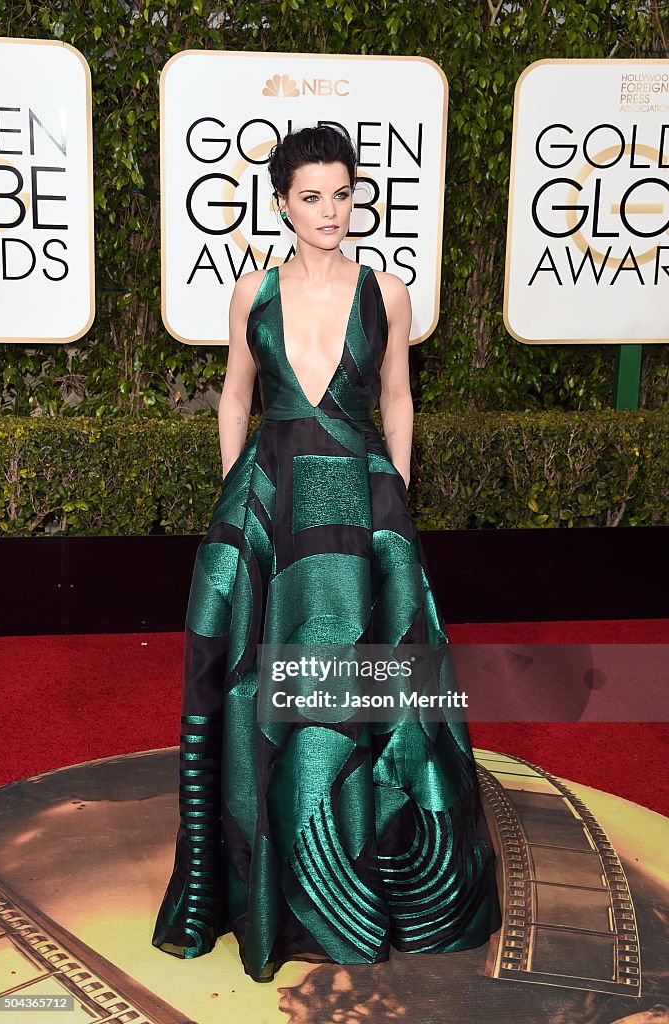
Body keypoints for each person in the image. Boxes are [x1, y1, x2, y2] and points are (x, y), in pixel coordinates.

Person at [152, 124, 502, 983]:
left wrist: (396, 501)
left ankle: (357, 866)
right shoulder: (251, 294)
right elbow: (236, 396)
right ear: (281, 202)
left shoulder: (388, 292)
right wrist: (242, 493)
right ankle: (258, 875)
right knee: (247, 681)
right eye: (311, 196)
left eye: (342, 194)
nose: (330, 211)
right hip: (270, 506)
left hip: (358, 505)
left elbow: (399, 401)